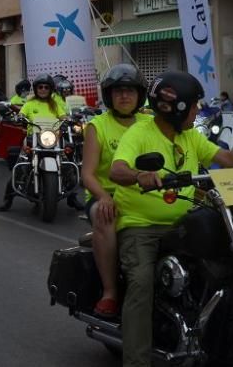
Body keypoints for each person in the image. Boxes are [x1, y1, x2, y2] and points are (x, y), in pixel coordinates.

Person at [108, 71, 233, 367]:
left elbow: (226, 158)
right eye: (194, 105)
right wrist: (140, 175)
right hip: (142, 226)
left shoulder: (190, 135)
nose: (197, 111)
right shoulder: (139, 134)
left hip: (185, 217)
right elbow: (117, 170)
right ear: (175, 107)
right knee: (140, 284)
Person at [80, 64, 151, 319]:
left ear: (139, 95)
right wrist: (103, 196)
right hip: (107, 194)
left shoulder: (150, 122)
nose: (124, 96)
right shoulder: (97, 126)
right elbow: (87, 174)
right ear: (109, 95)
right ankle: (110, 292)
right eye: (118, 91)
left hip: (145, 193)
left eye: (130, 91)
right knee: (104, 214)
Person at [0, 74, 69, 212]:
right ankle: (8, 199)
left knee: (67, 164)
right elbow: (22, 114)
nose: (43, 89)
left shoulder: (54, 105)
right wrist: (19, 118)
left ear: (50, 89)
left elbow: (63, 116)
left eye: (46, 87)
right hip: (33, 138)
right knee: (20, 166)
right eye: (40, 87)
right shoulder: (29, 104)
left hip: (52, 139)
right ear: (36, 89)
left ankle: (72, 197)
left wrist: (66, 121)